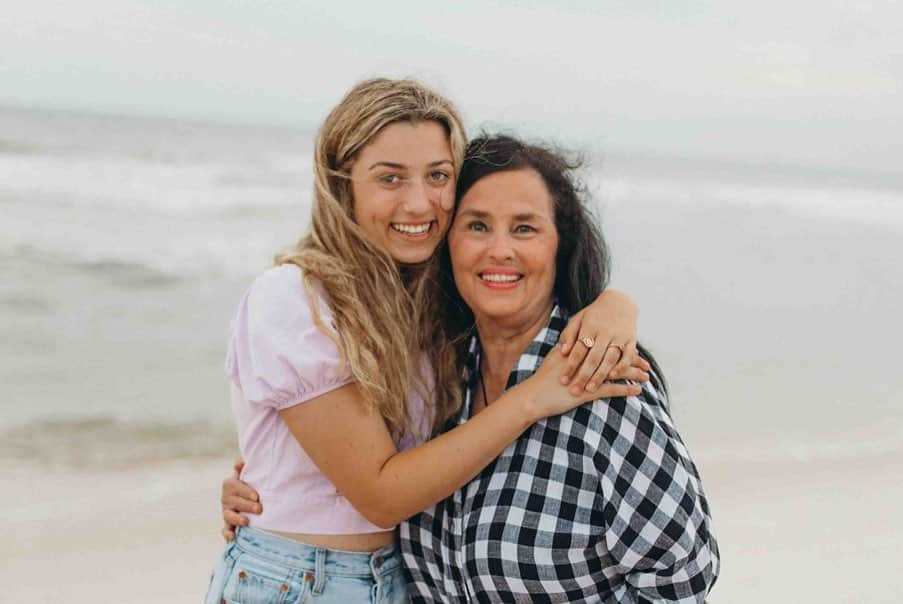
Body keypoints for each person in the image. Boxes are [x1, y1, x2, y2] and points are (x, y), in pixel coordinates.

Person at [222, 133, 720, 602]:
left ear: (560, 246)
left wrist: (617, 301)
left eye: (524, 228)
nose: (499, 249)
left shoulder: (603, 385)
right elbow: (370, 480)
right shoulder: (439, 380)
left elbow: (681, 577)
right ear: (447, 243)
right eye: (477, 226)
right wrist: (273, 491)